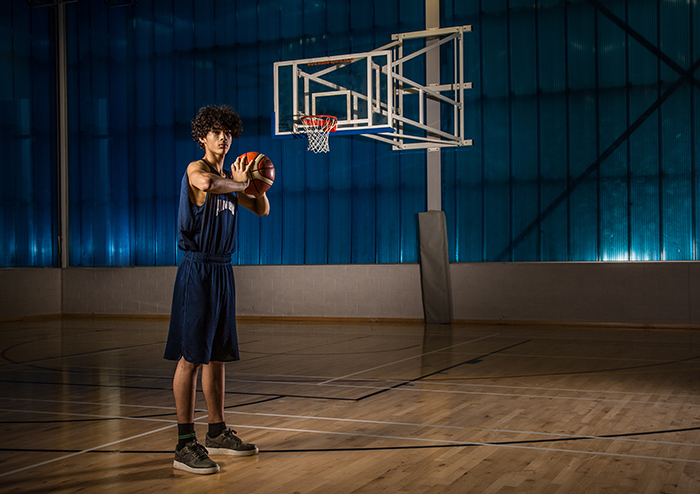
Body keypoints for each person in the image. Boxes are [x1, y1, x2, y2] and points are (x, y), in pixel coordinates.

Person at [164, 105, 270, 475]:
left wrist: (259, 182)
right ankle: (183, 443)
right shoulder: (199, 171)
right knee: (192, 356)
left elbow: (262, 209)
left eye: (228, 131)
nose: (223, 137)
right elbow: (208, 185)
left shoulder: (231, 178)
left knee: (218, 355)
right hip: (198, 268)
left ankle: (217, 431)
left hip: (223, 269)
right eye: (216, 131)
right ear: (202, 137)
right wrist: (243, 184)